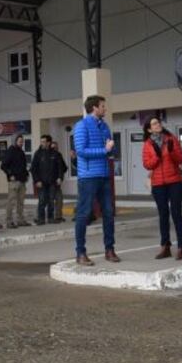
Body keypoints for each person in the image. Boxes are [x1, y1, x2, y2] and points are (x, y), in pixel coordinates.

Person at [73, 95, 119, 266]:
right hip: (88, 177)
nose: (105, 109)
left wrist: (110, 150)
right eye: (102, 106)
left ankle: (109, 249)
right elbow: (81, 151)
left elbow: (108, 149)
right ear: (94, 108)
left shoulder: (104, 126)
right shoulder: (81, 126)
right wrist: (104, 150)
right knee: (83, 214)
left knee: (108, 213)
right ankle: (80, 253)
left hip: (104, 175)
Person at [141, 117, 182, 260]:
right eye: (154, 124)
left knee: (176, 214)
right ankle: (165, 247)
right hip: (158, 184)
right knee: (163, 215)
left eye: (158, 122)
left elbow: (180, 159)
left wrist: (172, 151)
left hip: (174, 181)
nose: (158, 125)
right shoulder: (147, 144)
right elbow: (147, 164)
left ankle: (181, 247)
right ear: (149, 129)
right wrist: (157, 156)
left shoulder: (171, 139)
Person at [0, 134, 31, 228]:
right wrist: (10, 175)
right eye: (19, 141)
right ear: (15, 141)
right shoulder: (11, 151)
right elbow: (3, 165)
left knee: (20, 202)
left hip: (22, 180)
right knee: (11, 201)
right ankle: (9, 222)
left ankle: (20, 220)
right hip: (14, 181)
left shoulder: (21, 152)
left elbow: (22, 165)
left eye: (22, 141)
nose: (21, 143)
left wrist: (26, 174)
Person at [30, 135, 60, 225]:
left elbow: (60, 168)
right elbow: (33, 169)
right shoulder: (38, 154)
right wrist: (36, 180)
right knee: (42, 200)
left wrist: (60, 177)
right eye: (41, 141)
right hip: (41, 182)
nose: (42, 143)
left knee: (51, 200)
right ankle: (41, 219)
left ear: (48, 142)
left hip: (52, 182)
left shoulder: (55, 154)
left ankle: (51, 218)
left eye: (44, 141)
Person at [49, 141, 68, 222]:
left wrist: (60, 177)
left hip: (57, 182)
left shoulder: (59, 155)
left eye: (56, 147)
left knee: (59, 199)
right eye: (53, 147)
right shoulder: (49, 156)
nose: (55, 149)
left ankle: (58, 216)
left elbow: (64, 167)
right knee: (51, 200)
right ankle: (51, 217)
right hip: (50, 182)